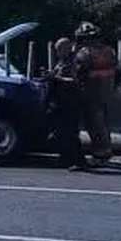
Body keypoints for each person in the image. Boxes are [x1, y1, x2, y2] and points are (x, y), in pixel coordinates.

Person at [74, 21, 120, 167]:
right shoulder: (109, 51)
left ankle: (100, 155)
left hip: (91, 91)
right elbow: (119, 71)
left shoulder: (84, 52)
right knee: (103, 123)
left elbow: (78, 72)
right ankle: (105, 152)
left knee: (93, 124)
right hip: (107, 91)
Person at [45, 37, 87, 171]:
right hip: (60, 101)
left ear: (66, 49)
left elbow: (76, 81)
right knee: (60, 132)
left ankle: (79, 161)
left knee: (71, 132)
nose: (57, 52)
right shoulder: (62, 62)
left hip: (71, 101)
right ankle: (66, 158)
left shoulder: (75, 61)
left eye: (59, 49)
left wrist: (56, 78)